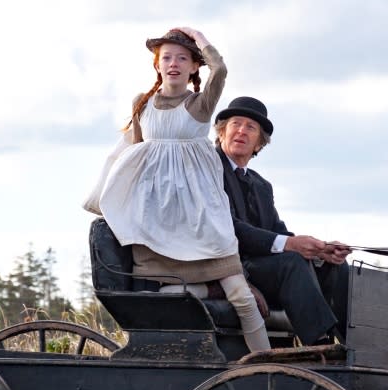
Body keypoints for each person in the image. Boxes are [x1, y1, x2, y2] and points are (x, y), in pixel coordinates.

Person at [83, 28, 271, 351]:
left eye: (182, 58)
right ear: (157, 65)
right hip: (158, 217)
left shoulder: (199, 104)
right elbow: (135, 157)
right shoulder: (142, 105)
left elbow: (221, 70)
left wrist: (198, 38)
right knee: (159, 297)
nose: (173, 64)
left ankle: (268, 365)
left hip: (200, 216)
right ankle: (194, 311)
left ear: (194, 67)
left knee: (240, 294)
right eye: (166, 57)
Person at [213, 96, 351, 345]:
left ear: (259, 144)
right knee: (291, 262)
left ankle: (347, 343)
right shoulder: (208, 171)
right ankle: (320, 346)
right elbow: (227, 228)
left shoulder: (261, 185)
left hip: (266, 270)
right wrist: (291, 246)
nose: (242, 131)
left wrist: (320, 249)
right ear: (222, 132)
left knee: (336, 267)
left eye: (251, 128)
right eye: (236, 124)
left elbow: (278, 231)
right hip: (232, 266)